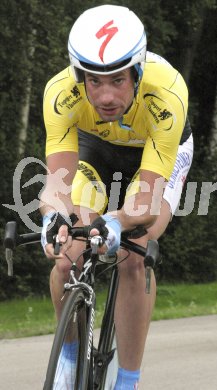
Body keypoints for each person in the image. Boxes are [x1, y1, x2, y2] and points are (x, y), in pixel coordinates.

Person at [40, 4, 193, 389]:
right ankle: (69, 361)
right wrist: (51, 219)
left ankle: (127, 380)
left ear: (138, 71)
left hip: (154, 154)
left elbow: (145, 201)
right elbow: (57, 185)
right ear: (80, 77)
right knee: (67, 254)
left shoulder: (168, 94)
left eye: (119, 80)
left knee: (133, 253)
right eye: (94, 81)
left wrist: (118, 221)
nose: (106, 95)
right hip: (96, 148)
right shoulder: (60, 94)